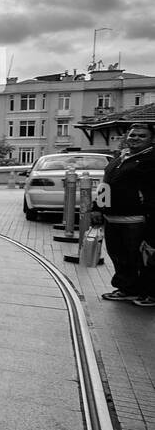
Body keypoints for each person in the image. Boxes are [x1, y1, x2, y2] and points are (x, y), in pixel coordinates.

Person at [93, 123, 155, 307]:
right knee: (120, 257)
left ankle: (150, 293)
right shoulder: (120, 157)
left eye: (142, 136)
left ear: (151, 139)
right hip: (113, 219)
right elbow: (106, 185)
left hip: (136, 221)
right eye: (133, 135)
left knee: (142, 258)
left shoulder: (151, 160)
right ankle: (127, 289)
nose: (135, 138)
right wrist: (97, 207)